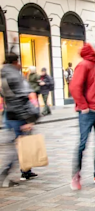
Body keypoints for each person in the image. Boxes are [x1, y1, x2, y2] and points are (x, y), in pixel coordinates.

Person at [70, 42, 95, 190]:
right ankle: (76, 174)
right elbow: (75, 87)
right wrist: (83, 106)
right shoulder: (84, 65)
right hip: (88, 112)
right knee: (82, 143)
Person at [0, 50, 40, 186]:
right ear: (16, 62)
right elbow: (21, 98)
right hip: (17, 116)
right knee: (19, 146)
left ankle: (26, 170)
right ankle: (5, 175)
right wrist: (29, 119)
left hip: (9, 114)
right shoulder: (15, 76)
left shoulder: (3, 73)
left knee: (20, 143)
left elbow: (6, 95)